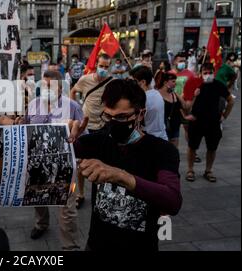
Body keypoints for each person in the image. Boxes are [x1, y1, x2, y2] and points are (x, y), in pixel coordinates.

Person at [74, 79, 182, 251]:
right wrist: (66, 136)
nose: (113, 123)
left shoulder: (162, 150)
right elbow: (53, 153)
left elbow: (172, 200)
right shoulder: (98, 141)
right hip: (97, 244)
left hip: (140, 246)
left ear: (140, 114)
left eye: (122, 117)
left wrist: (121, 176)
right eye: (108, 116)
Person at [24, 70, 82, 250]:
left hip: (64, 164)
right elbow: (25, 129)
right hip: (37, 162)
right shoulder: (33, 105)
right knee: (38, 198)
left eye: (50, 86)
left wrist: (76, 137)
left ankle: (70, 245)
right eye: (43, 85)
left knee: (67, 208)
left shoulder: (73, 106)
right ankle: (41, 224)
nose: (46, 89)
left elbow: (81, 134)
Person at [70, 54, 113, 208]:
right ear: (96, 66)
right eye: (102, 66)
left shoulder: (111, 82)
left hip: (103, 127)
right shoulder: (85, 79)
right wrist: (74, 109)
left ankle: (102, 193)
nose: (104, 69)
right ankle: (80, 194)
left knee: (103, 163)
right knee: (81, 163)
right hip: (85, 127)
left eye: (107, 67)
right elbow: (73, 91)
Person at [185, 63, 235, 182]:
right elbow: (186, 103)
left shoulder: (218, 85)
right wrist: (194, 95)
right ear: (201, 74)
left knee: (212, 148)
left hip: (213, 122)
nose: (208, 75)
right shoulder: (196, 84)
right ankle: (190, 170)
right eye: (205, 73)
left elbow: (231, 100)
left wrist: (224, 115)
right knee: (192, 146)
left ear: (214, 73)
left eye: (210, 72)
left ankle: (208, 170)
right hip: (196, 121)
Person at [129, 66, 168, 141]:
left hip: (151, 140)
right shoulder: (156, 93)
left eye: (134, 81)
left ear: (143, 82)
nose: (133, 84)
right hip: (161, 137)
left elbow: (134, 120)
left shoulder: (144, 98)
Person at [156, 72, 193, 147]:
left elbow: (185, 107)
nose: (175, 83)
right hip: (162, 129)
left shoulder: (174, 94)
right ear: (165, 82)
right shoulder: (157, 94)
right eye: (173, 81)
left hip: (175, 127)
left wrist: (194, 96)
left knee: (174, 152)